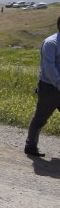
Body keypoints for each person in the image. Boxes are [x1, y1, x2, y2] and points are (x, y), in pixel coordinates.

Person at [24, 15, 60, 157]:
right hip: (49, 88)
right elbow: (49, 68)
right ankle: (30, 146)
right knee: (40, 118)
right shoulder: (51, 43)